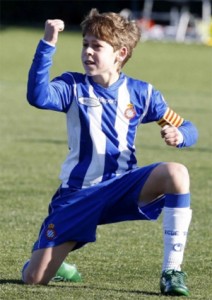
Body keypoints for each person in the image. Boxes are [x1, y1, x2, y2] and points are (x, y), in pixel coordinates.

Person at [22, 8, 198, 296]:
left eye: (96, 46)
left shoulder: (143, 93)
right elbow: (37, 96)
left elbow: (189, 127)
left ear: (120, 53)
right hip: (78, 195)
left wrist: (181, 135)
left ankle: (172, 271)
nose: (88, 52)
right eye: (85, 44)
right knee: (34, 278)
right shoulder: (73, 86)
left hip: (122, 187)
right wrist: (48, 44)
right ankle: (59, 263)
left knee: (177, 173)